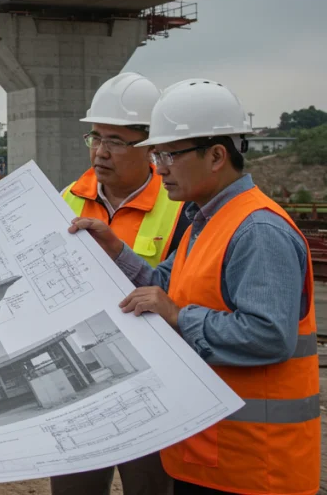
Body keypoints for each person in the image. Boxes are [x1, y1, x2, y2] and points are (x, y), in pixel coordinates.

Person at [70, 78, 319, 495]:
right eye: (155, 154)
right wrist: (117, 251)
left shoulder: (257, 230)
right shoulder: (205, 221)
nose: (160, 166)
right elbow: (166, 288)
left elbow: (268, 336)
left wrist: (179, 317)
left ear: (218, 155)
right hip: (212, 456)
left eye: (169, 153)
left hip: (258, 468)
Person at [51, 73, 189, 495]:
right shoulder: (66, 199)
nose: (100, 150)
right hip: (81, 381)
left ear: (150, 146)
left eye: (115, 140)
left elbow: (183, 295)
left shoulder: (181, 206)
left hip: (155, 383)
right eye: (95, 137)